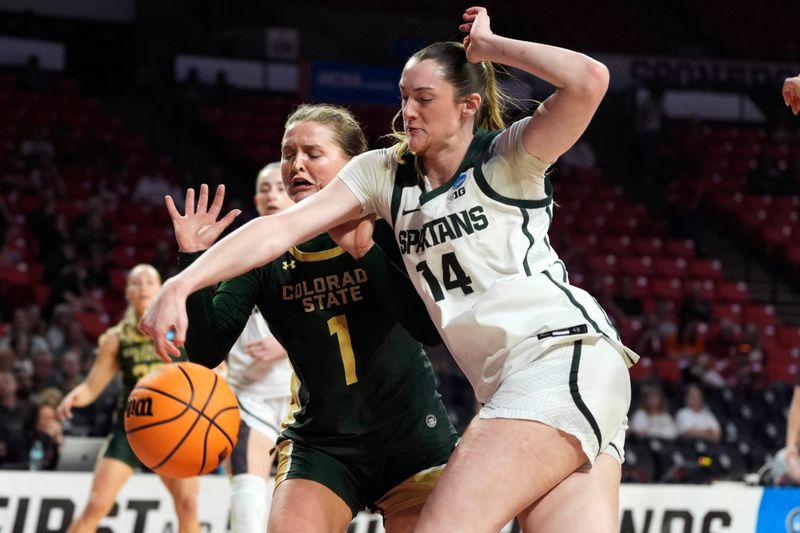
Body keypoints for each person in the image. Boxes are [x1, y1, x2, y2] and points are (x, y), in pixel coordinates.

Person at [140, 8, 638, 532]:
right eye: (404, 97)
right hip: (508, 381)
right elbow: (277, 230)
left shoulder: (509, 155)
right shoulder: (384, 173)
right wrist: (184, 279)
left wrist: (490, 46)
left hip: (559, 356)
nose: (409, 111)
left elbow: (589, 80)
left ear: (468, 105)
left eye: (424, 99)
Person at [168, 104, 457, 532]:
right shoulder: (263, 250)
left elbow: (430, 331)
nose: (296, 164)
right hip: (322, 445)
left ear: (353, 163)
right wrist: (193, 262)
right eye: (288, 154)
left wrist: (367, 252)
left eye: (312, 153)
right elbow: (206, 353)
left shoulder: (391, 224)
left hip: (411, 437)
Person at [57, 264, 200, 533]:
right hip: (130, 430)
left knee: (188, 505)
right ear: (127, 292)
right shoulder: (115, 338)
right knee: (97, 505)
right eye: (137, 282)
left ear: (160, 289)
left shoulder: (181, 329)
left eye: (150, 281)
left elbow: (208, 371)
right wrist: (73, 398)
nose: (144, 286)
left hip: (173, 432)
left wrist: (222, 374)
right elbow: (91, 388)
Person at [199, 162, 294, 533]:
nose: (272, 195)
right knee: (248, 502)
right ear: (256, 198)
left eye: (279, 188)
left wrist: (285, 342)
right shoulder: (240, 249)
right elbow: (213, 318)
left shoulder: (320, 246)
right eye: (265, 189)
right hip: (247, 394)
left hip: (304, 395)